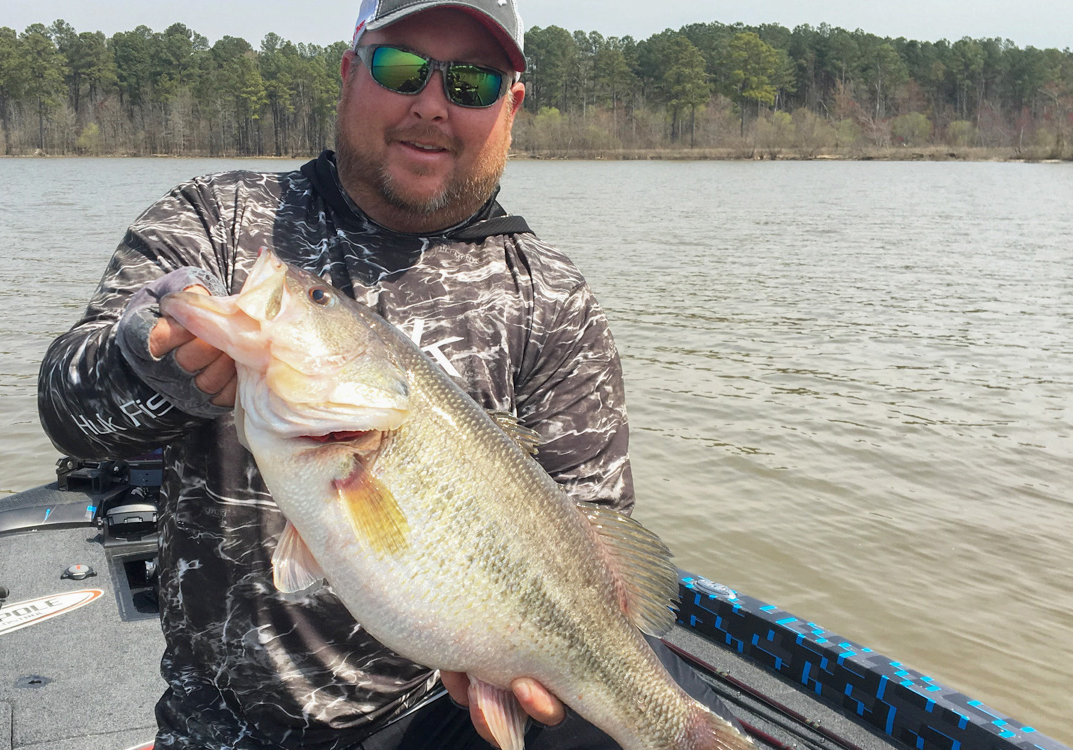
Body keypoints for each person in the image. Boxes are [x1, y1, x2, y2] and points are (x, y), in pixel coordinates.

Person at [37, 1, 734, 748]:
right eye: (401, 68)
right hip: (224, 728)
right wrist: (145, 362)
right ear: (348, 72)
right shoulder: (219, 222)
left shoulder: (552, 299)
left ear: (512, 107)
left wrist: (499, 643)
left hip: (431, 714)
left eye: (473, 82)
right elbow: (67, 411)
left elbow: (598, 542)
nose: (432, 104)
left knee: (646, 706)